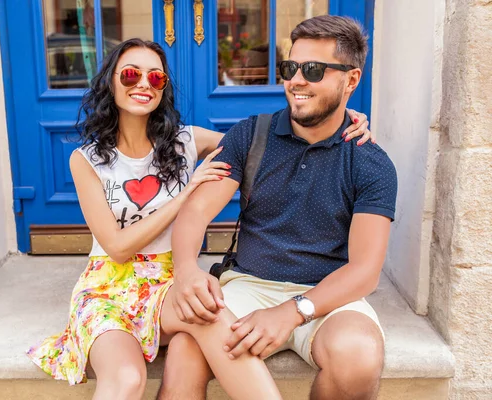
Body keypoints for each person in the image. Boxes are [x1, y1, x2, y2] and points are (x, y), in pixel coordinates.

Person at [26, 37, 373, 400]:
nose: (143, 84)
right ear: (111, 82)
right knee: (127, 380)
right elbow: (116, 247)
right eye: (130, 74)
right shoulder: (86, 160)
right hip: (107, 288)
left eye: (156, 78)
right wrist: (185, 195)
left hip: (167, 282)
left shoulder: (186, 141)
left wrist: (342, 119)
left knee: (210, 313)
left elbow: (263, 147)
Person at [161, 15, 397, 400]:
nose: (296, 81)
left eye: (314, 70)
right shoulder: (251, 135)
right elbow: (196, 211)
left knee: (359, 356)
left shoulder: (371, 163)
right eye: (290, 67)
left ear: (351, 80)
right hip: (248, 285)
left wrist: (291, 312)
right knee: (186, 351)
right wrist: (187, 270)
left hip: (327, 295)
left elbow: (365, 271)